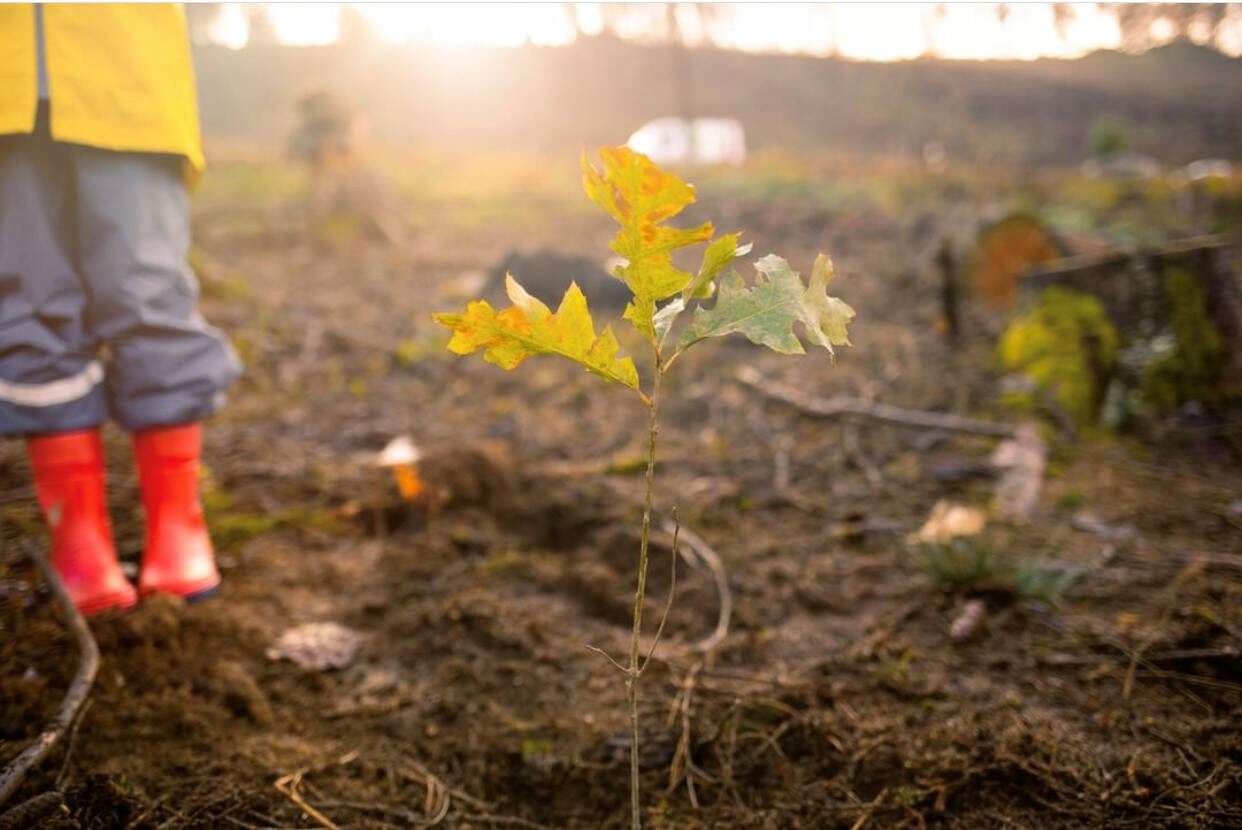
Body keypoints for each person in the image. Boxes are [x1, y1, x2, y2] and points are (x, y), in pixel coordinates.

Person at [0, 5, 240, 614]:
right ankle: (76, 535)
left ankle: (178, 522)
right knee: (26, 304)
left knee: (147, 291)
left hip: (127, 69)